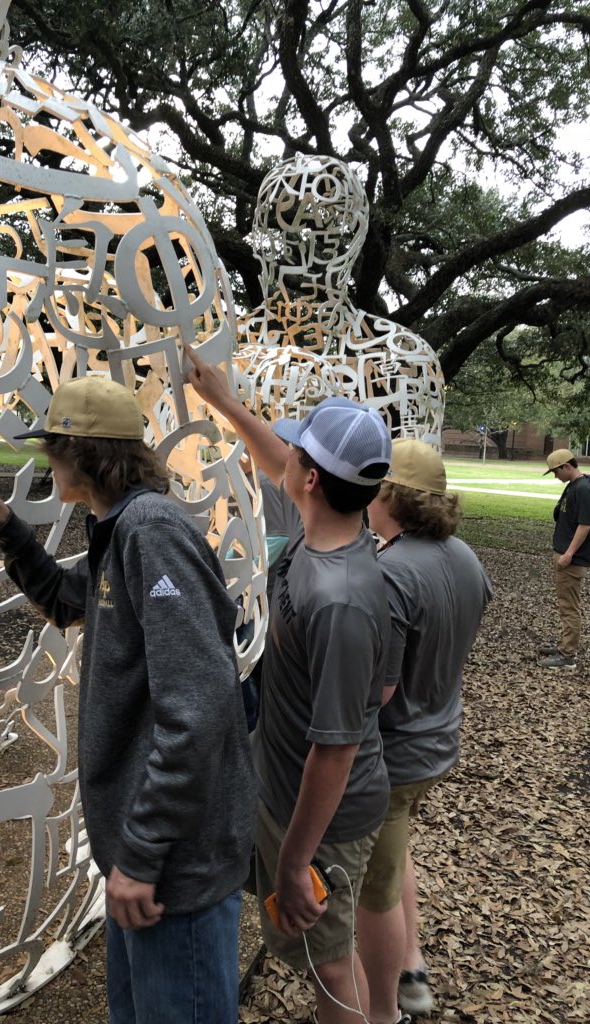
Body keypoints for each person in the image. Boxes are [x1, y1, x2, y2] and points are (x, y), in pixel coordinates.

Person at [0, 376, 256, 1024]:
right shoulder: (119, 530)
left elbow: (197, 708)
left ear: (84, 455)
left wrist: (143, 855)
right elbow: (66, 600)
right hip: (144, 861)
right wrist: (8, 528)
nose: (46, 461)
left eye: (53, 448)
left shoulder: (152, 534)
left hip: (174, 868)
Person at [186, 347, 408, 1024]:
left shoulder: (339, 597)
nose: (285, 462)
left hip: (321, 823)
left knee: (327, 964)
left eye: (297, 457)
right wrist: (223, 401)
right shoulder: (326, 538)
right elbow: (273, 458)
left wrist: (295, 859)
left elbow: (335, 749)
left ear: (310, 480)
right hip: (288, 792)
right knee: (321, 954)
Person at [354, 439, 492, 1019]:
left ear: (392, 497)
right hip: (439, 744)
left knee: (373, 893)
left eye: (374, 490)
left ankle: (391, 1004)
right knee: (395, 849)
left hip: (395, 758)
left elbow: (376, 692)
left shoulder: (389, 573)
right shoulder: (465, 558)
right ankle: (411, 960)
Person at [538, 448, 590, 669]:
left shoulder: (583, 489)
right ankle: (564, 646)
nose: (555, 476)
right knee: (566, 605)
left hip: (571, 559)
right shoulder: (575, 486)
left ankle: (567, 656)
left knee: (569, 607)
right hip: (565, 555)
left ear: (567, 466)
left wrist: (569, 553)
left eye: (556, 471)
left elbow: (585, 525)